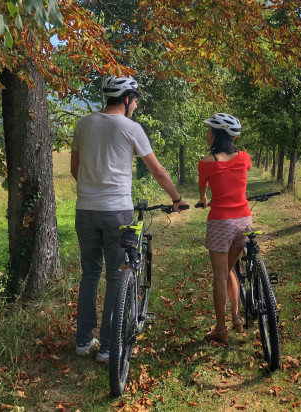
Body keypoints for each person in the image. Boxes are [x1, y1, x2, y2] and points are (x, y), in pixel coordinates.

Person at [70, 75, 188, 361]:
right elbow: (158, 171)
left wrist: (93, 190)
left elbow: (75, 169)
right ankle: (108, 347)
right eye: (134, 101)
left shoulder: (83, 124)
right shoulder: (131, 128)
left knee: (89, 274)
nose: (135, 106)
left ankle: (83, 341)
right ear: (126, 99)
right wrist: (176, 198)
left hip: (85, 210)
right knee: (116, 276)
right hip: (117, 212)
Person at [197, 113, 251, 344]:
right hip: (244, 221)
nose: (207, 134)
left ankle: (221, 329)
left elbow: (203, 190)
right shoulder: (245, 157)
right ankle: (237, 318)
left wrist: (204, 200)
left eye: (209, 131)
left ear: (215, 135)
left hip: (221, 222)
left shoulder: (206, 162)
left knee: (220, 276)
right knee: (229, 269)